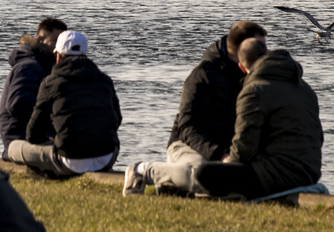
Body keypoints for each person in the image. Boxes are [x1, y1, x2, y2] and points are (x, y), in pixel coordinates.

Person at [123, 19, 267, 196]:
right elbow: (187, 127)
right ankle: (143, 170)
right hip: (188, 145)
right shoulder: (202, 76)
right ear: (240, 49)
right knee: (203, 176)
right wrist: (219, 155)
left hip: (228, 150)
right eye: (258, 46)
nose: (264, 53)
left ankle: (175, 187)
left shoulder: (255, 78)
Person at [194, 35, 323, 201]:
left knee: (204, 173)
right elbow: (319, 137)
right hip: (310, 173)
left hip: (279, 176)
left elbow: (244, 149)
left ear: (241, 66)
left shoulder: (254, 91)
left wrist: (228, 161)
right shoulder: (305, 89)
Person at [5, 29, 122, 179]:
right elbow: (116, 119)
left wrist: (55, 138)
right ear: (85, 55)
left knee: (13, 148)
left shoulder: (51, 82)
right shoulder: (104, 80)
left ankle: (47, 171)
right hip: (106, 158)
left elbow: (33, 134)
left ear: (58, 57)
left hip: (69, 161)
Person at [0, 17, 66, 158]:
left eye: (62, 43)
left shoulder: (43, 67)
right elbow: (18, 104)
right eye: (55, 41)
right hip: (21, 139)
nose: (59, 47)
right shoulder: (29, 67)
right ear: (40, 39)